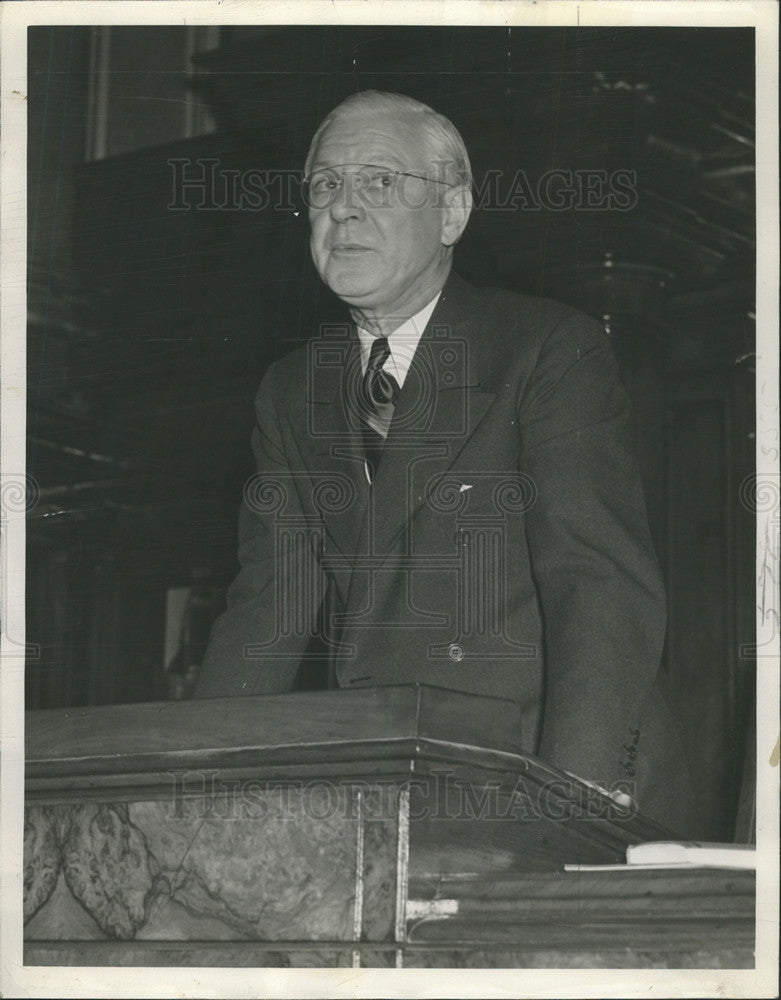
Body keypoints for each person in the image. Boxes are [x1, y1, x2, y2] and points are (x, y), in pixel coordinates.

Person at [194, 90, 695, 835]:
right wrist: (194, 788)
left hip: (538, 776)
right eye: (325, 185)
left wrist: (567, 801)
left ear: (453, 213)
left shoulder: (546, 349)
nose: (344, 208)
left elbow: (598, 589)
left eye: (380, 182)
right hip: (390, 787)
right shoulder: (291, 390)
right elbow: (266, 610)